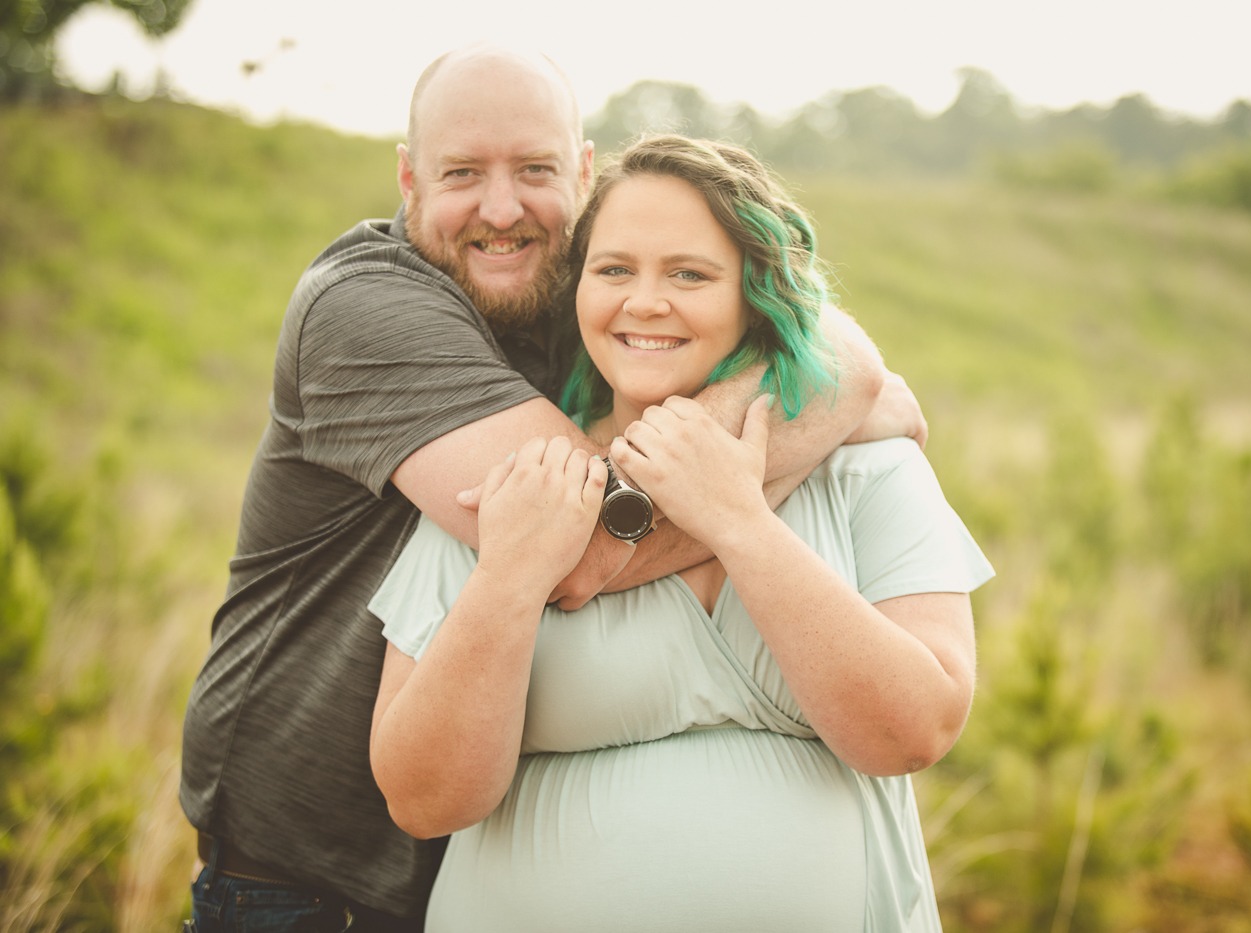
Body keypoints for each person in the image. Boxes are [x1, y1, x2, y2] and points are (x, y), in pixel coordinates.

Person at [179, 44, 920, 932]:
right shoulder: (363, 306)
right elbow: (584, 543)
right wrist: (769, 452)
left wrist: (825, 385)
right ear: (410, 180)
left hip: (455, 872)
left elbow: (849, 363)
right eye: (463, 173)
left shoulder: (589, 302)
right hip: (306, 877)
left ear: (581, 171)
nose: (502, 208)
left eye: (534, 170)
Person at [368, 135, 994, 931]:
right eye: (614, 269)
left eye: (689, 274)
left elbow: (916, 728)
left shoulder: (866, 468)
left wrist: (737, 520)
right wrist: (508, 579)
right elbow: (422, 799)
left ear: (754, 295)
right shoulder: (514, 486)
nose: (645, 301)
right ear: (578, 288)